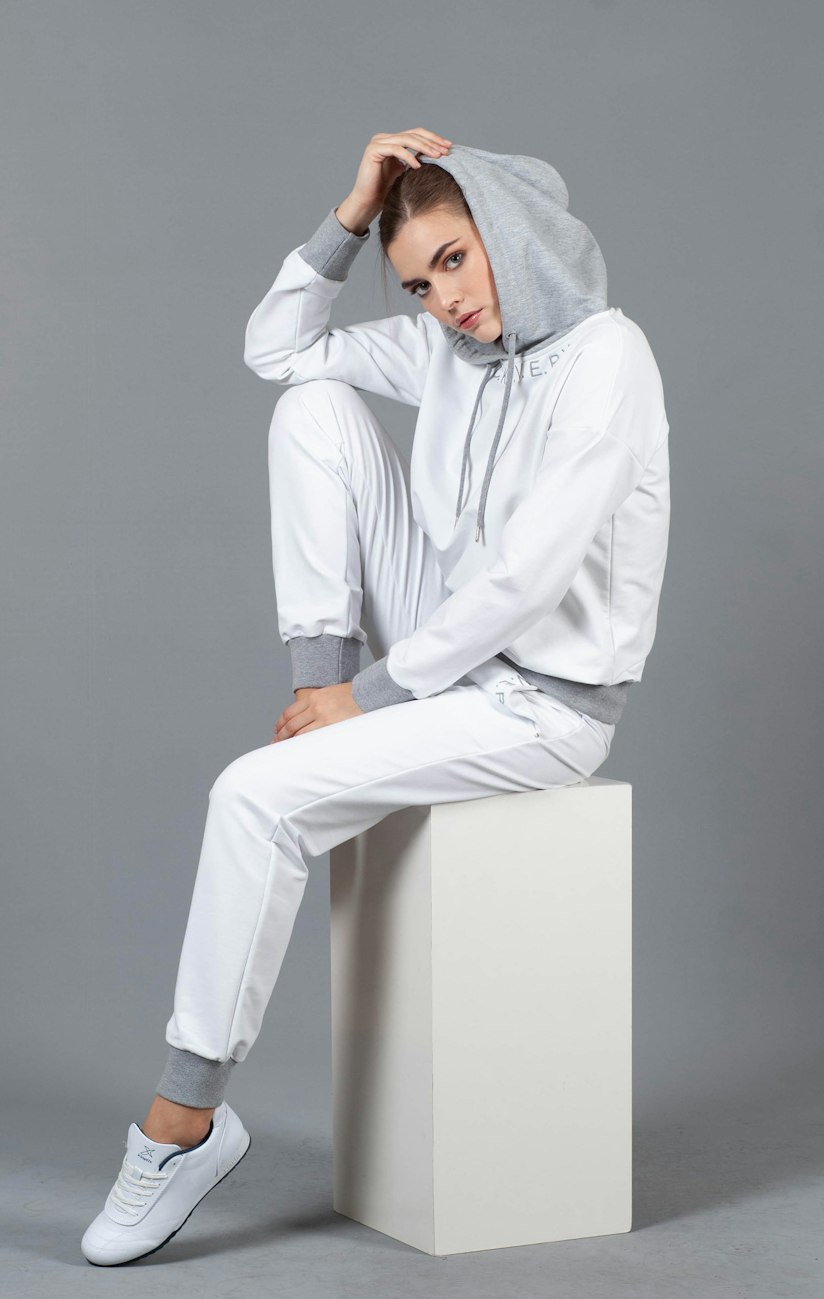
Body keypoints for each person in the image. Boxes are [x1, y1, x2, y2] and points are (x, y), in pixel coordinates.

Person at [81, 128, 672, 1266]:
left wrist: (375, 691)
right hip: (442, 662)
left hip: (541, 708)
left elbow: (529, 574)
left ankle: (183, 1122)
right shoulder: (452, 355)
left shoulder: (608, 354)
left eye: (456, 259)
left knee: (253, 799)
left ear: (508, 235)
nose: (443, 299)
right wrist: (351, 213)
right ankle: (307, 704)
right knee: (311, 411)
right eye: (418, 281)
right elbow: (276, 353)